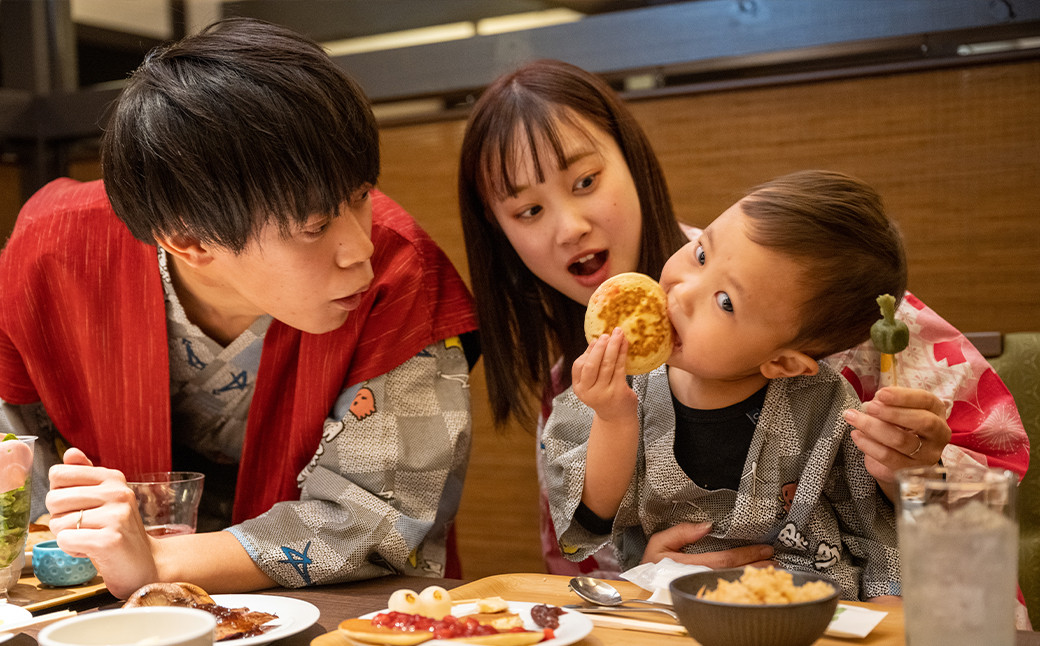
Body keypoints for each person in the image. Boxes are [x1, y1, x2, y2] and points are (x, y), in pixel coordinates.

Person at [456, 59, 1029, 578]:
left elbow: (986, 499)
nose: (568, 226)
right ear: (499, 234)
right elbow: (583, 563)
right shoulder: (579, 381)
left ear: (633, 163)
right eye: (528, 210)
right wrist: (647, 574)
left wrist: (915, 476)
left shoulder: (824, 295)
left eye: (585, 181)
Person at [0, 18, 479, 599]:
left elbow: (380, 516)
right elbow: (18, 459)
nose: (362, 248)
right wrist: (87, 532)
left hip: (327, 612)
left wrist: (158, 559)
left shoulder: (402, 272)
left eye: (360, 197)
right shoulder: (55, 256)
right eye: (316, 225)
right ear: (189, 241)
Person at [544, 170, 904, 601]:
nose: (682, 292)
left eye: (725, 302)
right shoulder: (623, 390)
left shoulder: (826, 408)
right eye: (700, 254)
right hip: (669, 604)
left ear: (784, 362)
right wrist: (614, 418)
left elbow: (877, 534)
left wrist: (886, 607)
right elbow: (591, 520)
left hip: (805, 615)